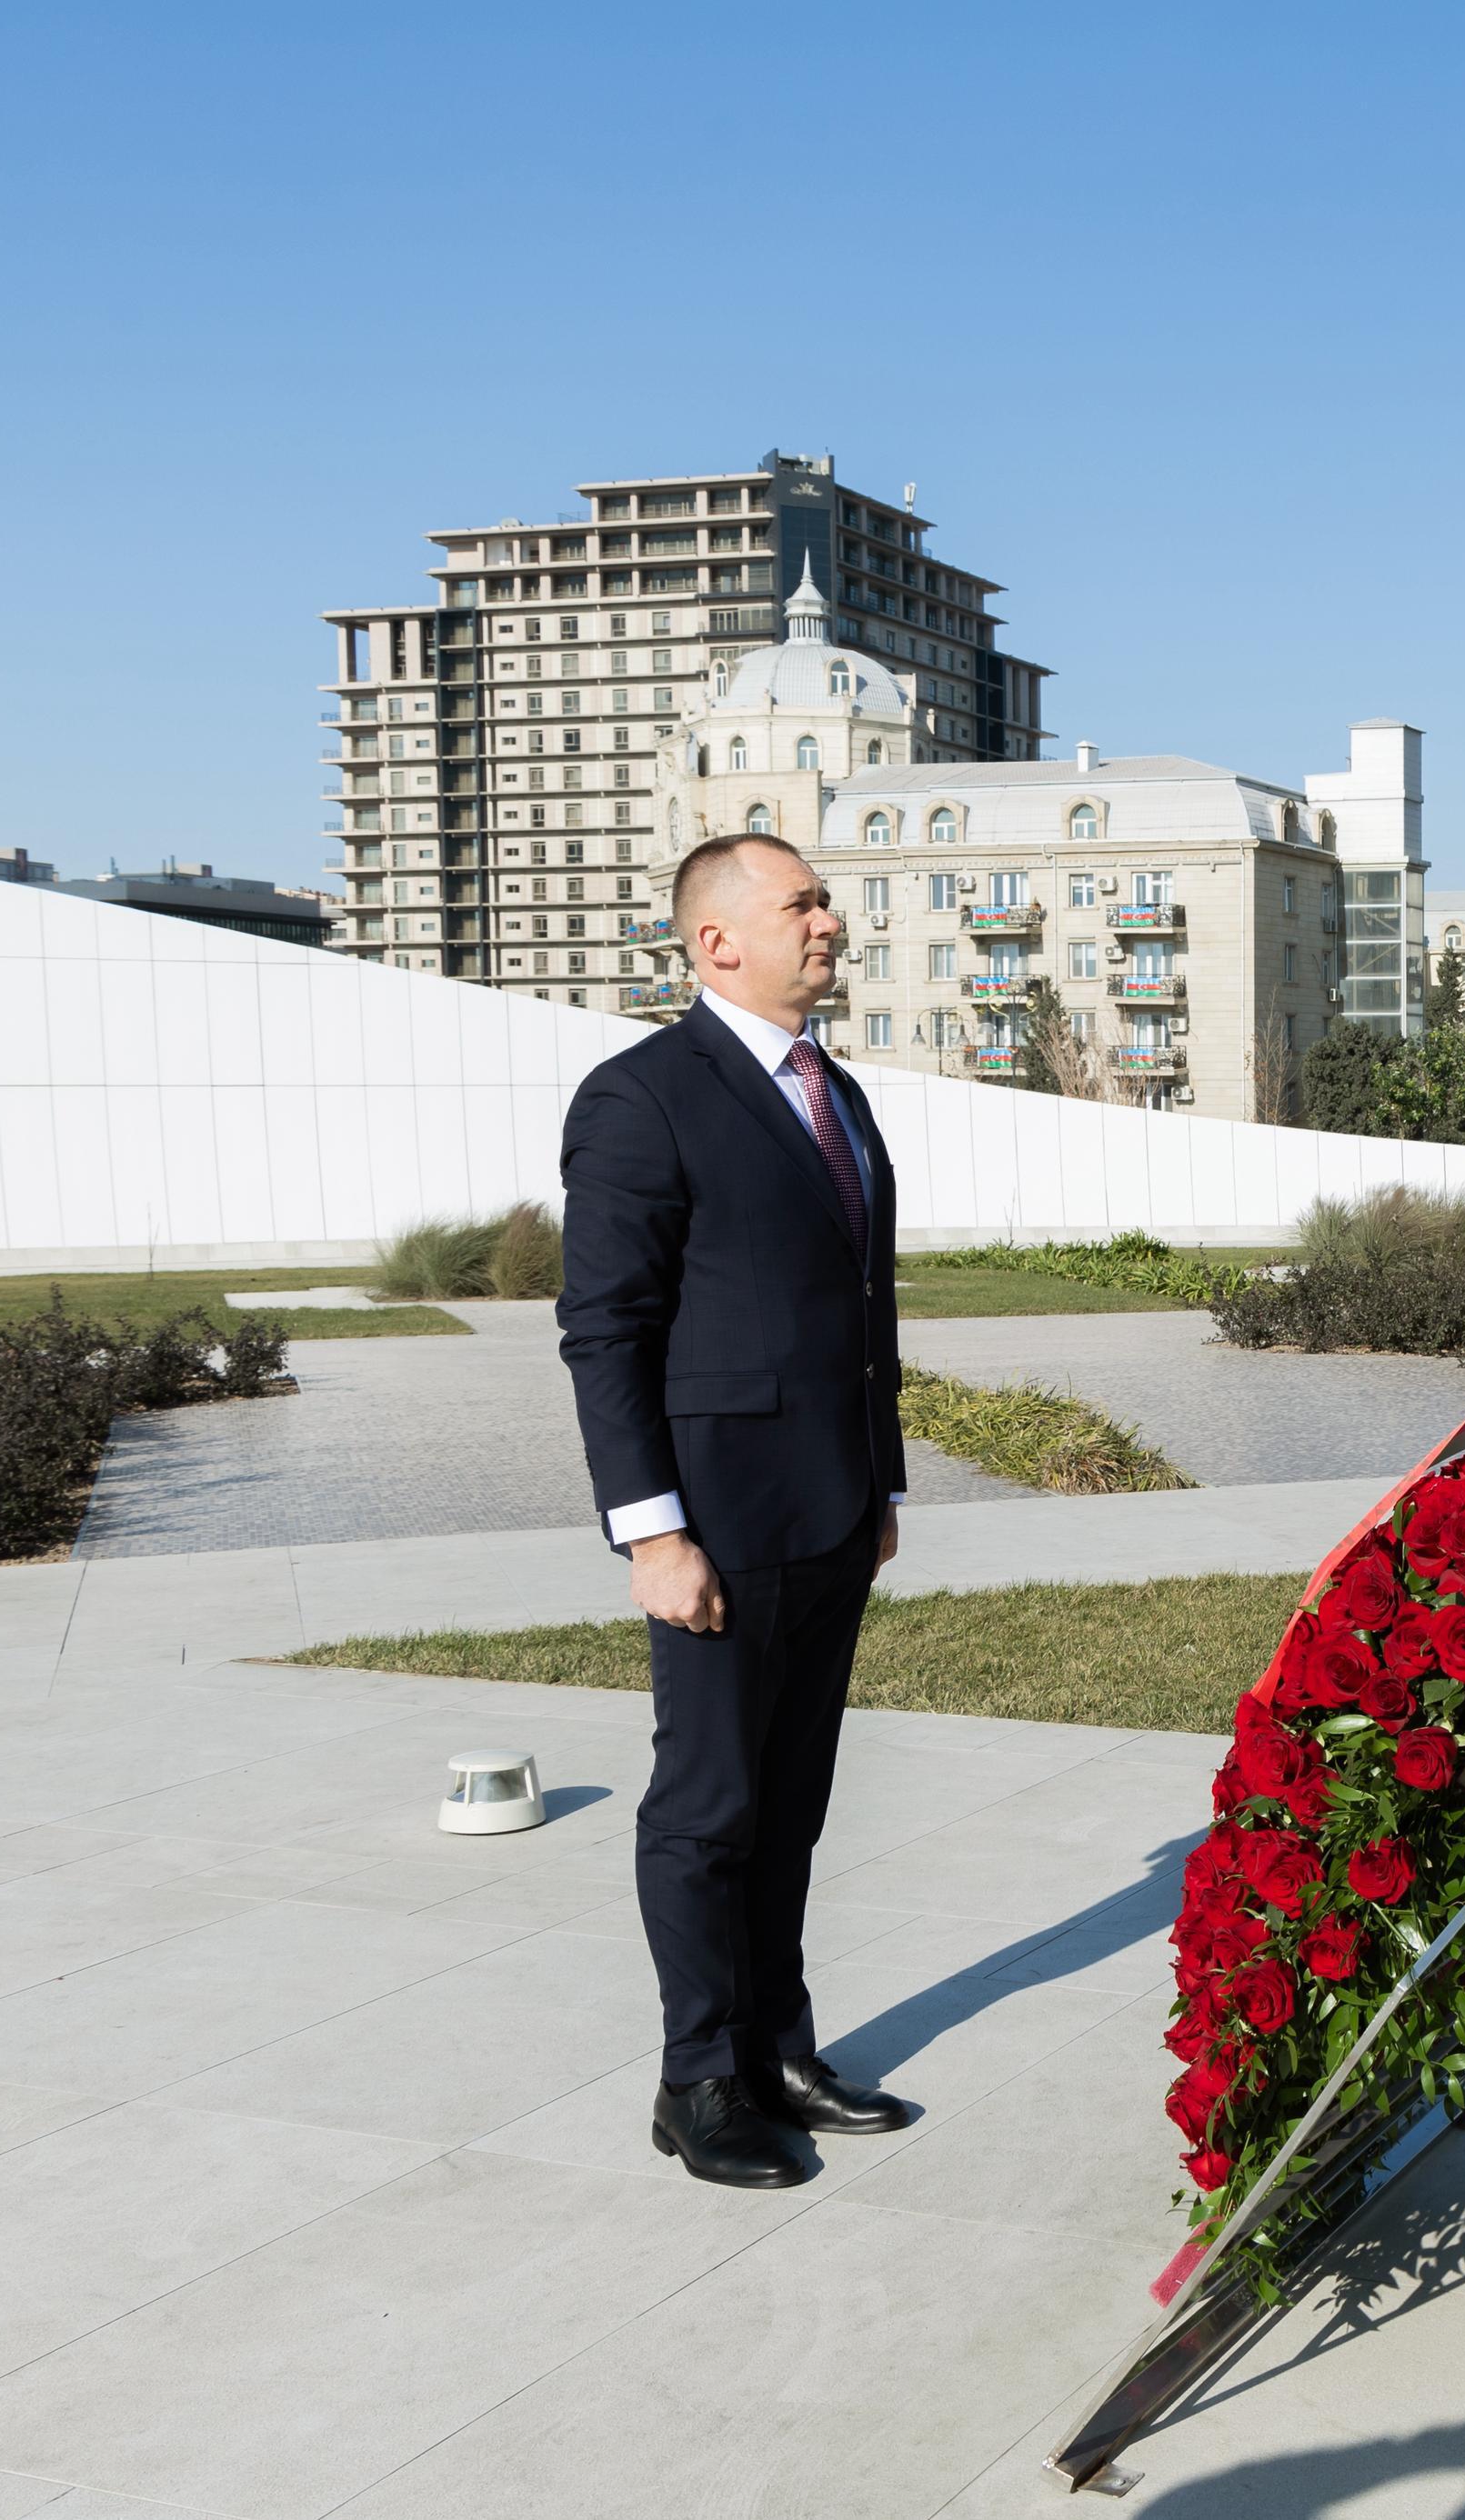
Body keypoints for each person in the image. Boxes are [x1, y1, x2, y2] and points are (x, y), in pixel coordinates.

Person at [558, 831, 918, 2184]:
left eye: (826, 901)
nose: (830, 921)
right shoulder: (643, 1097)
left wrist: (880, 1478)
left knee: (793, 1801)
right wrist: (653, 1531)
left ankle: (778, 2048)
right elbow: (606, 1329)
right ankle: (698, 2079)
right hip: (714, 1521)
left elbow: (863, 1308)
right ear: (716, 942)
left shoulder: (836, 1091)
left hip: (832, 1511)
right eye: (802, 903)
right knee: (709, 1808)